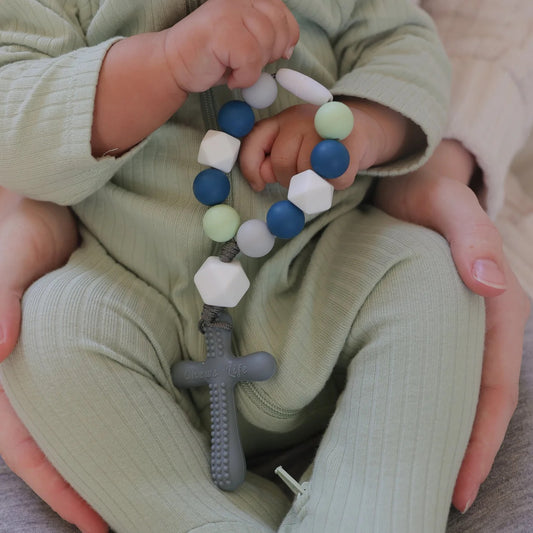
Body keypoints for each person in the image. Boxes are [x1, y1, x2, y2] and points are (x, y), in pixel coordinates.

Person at [0, 1, 518, 533]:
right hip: (135, 299)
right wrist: (164, 62)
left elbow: (406, 45)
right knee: (47, 329)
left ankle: (367, 511)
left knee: (430, 275)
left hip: (318, 270)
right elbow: (12, 112)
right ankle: (207, 521)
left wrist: (358, 124)